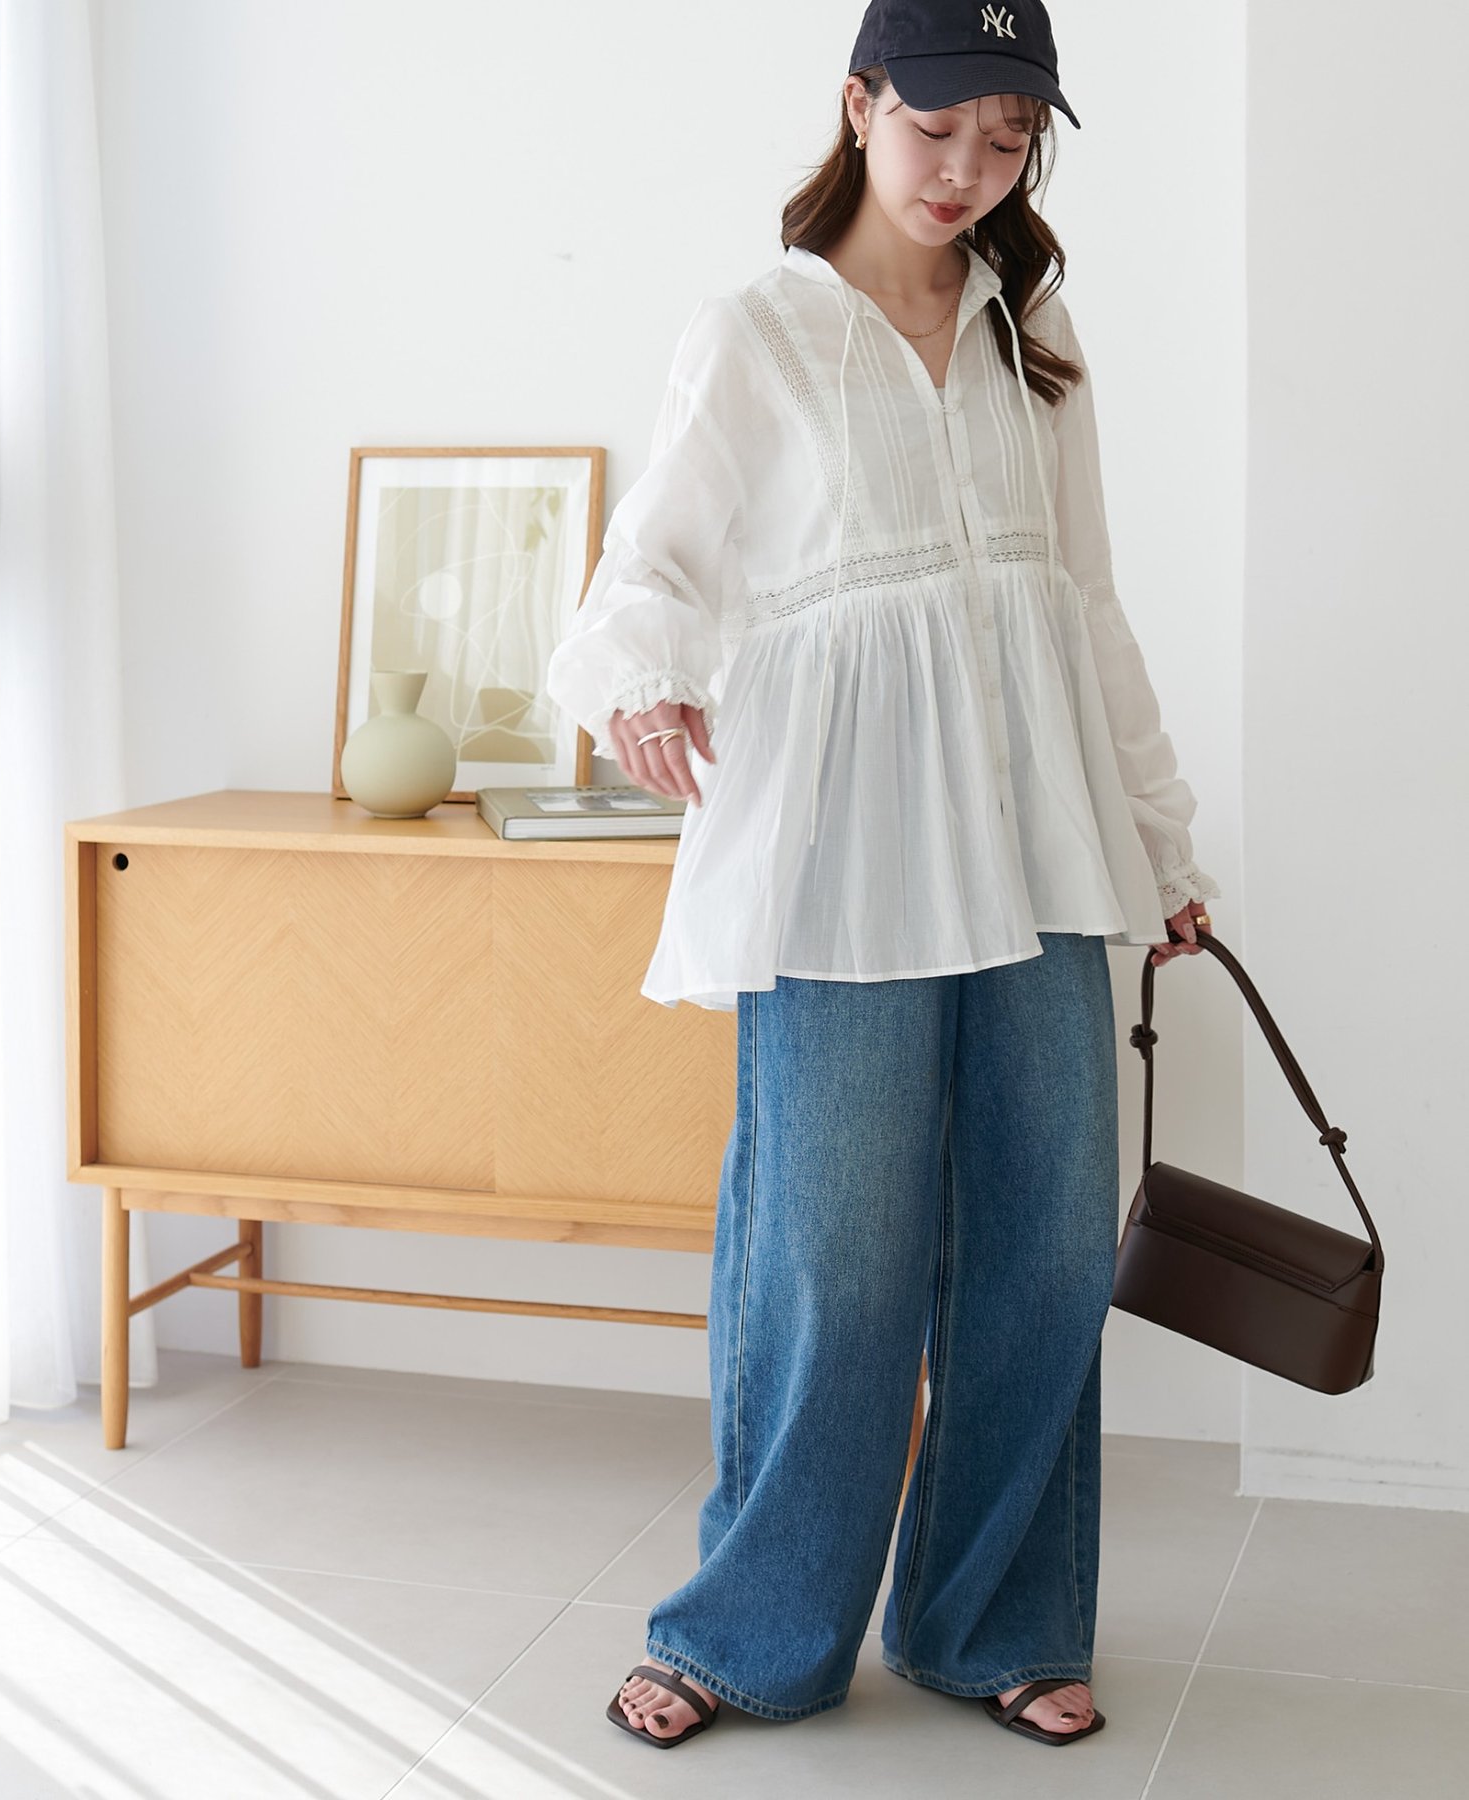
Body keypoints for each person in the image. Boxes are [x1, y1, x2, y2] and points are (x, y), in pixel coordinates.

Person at [545, 0, 1219, 1754]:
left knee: (1044, 1250)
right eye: (937, 129)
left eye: (1008, 142)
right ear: (858, 105)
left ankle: (992, 1622)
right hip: (839, 856)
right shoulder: (756, 333)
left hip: (1042, 844)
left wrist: (1160, 839)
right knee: (830, 1262)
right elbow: (647, 570)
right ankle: (748, 1632)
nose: (967, 172)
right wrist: (643, 685)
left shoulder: (1031, 329)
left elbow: (1086, 604)